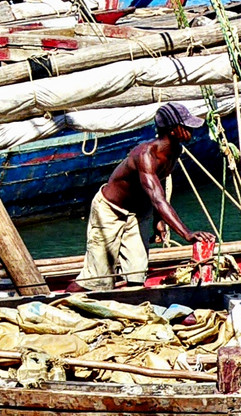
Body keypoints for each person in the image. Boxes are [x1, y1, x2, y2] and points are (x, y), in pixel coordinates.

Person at [79, 101, 218, 291]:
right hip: (110, 210)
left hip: (139, 211)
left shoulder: (175, 150)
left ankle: (133, 308)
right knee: (97, 279)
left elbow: (157, 186)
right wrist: (187, 233)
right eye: (185, 126)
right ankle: (58, 300)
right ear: (172, 130)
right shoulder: (145, 155)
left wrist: (158, 220)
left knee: (137, 274)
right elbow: (158, 199)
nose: (190, 130)